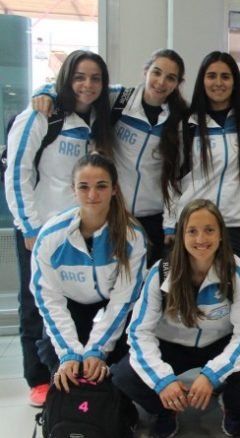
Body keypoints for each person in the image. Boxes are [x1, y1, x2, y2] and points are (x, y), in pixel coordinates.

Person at [4, 50, 116, 407]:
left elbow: (140, 89)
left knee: (68, 303)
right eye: (79, 77)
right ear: (65, 79)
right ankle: (37, 377)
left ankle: (67, 366)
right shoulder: (42, 115)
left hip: (85, 229)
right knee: (35, 302)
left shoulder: (100, 118)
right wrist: (29, 227)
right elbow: (16, 172)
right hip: (42, 231)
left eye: (95, 78)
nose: (87, 85)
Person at [112, 199, 240, 438]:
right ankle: (166, 410)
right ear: (181, 235)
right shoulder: (161, 271)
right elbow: (139, 332)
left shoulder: (236, 271)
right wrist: (162, 380)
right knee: (124, 375)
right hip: (172, 346)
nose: (201, 239)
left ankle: (232, 408)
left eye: (209, 230)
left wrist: (212, 375)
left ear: (221, 235)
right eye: (192, 231)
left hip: (218, 344)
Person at [31, 49, 190, 268]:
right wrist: (45, 92)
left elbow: (175, 178)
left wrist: (171, 223)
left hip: (154, 219)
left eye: (170, 78)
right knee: (110, 282)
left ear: (177, 83)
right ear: (145, 71)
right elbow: (83, 90)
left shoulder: (179, 119)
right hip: (114, 215)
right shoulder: (119, 99)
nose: (161, 82)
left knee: (150, 287)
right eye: (156, 72)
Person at [31, 153, 147, 392]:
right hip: (71, 304)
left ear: (114, 189)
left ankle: (115, 403)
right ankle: (68, 409)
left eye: (101, 186)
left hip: (110, 304)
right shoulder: (51, 236)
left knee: (124, 352)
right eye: (84, 187)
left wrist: (98, 349)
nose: (92, 195)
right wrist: (69, 353)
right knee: (53, 352)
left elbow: (123, 300)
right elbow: (49, 299)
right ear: (73, 189)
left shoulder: (132, 235)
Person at [164, 51, 240, 269]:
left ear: (235, 82)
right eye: (211, 76)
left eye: (225, 77)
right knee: (192, 292)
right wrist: (170, 224)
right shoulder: (186, 123)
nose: (218, 83)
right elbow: (172, 178)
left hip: (238, 225)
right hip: (196, 224)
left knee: (235, 291)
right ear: (202, 80)